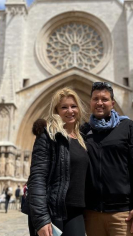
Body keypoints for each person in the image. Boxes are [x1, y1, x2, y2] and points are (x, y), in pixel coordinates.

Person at [82, 82, 133, 236]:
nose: (99, 103)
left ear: (112, 103)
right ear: (90, 102)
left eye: (104, 99)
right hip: (92, 214)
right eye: (95, 99)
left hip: (122, 214)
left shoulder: (128, 127)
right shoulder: (84, 131)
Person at [29, 87, 89, 236]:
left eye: (73, 106)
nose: (70, 111)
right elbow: (37, 178)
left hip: (76, 211)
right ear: (56, 111)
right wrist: (41, 219)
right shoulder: (48, 135)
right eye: (64, 107)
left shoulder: (82, 137)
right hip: (54, 212)